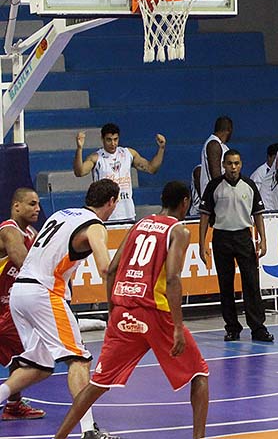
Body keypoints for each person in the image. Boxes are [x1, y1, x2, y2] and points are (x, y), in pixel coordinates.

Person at [53, 181, 210, 439]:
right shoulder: (179, 231)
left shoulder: (139, 223)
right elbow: (172, 279)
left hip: (124, 308)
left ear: (161, 198)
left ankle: (58, 438)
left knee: (96, 384)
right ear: (185, 202)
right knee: (199, 373)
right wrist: (178, 328)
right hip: (156, 312)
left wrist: (113, 309)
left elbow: (112, 269)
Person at [0, 179, 121, 439]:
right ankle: (89, 430)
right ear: (112, 202)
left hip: (19, 293)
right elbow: (106, 268)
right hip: (44, 293)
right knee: (78, 359)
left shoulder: (61, 214)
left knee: (41, 364)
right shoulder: (96, 226)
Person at [199, 149, 274, 342]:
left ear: (241, 164)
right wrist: (202, 244)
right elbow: (205, 216)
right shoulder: (214, 186)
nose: (233, 167)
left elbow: (258, 214)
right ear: (224, 165)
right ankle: (232, 327)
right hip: (221, 238)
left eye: (237, 163)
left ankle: (258, 327)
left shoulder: (248, 185)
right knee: (226, 285)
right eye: (230, 163)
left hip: (243, 237)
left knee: (251, 283)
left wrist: (262, 240)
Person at [0, 188, 45, 421]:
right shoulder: (9, 231)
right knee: (34, 358)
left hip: (9, 311)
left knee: (20, 356)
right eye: (31, 204)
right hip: (3, 311)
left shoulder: (31, 232)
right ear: (16, 206)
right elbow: (26, 265)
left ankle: (14, 404)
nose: (37, 208)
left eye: (38, 204)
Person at [74, 123, 166, 222]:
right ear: (102, 139)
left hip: (128, 214)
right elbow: (80, 172)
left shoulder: (128, 153)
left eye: (115, 139)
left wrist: (161, 148)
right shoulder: (96, 158)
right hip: (105, 215)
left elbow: (151, 168)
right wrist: (79, 149)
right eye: (109, 140)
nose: (113, 143)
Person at [199, 116, 233, 197]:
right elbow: (216, 175)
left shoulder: (222, 146)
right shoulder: (213, 144)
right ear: (229, 130)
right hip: (215, 198)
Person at [251, 143, 278, 207]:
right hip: (266, 213)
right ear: (269, 157)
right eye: (276, 158)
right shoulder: (259, 174)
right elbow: (254, 196)